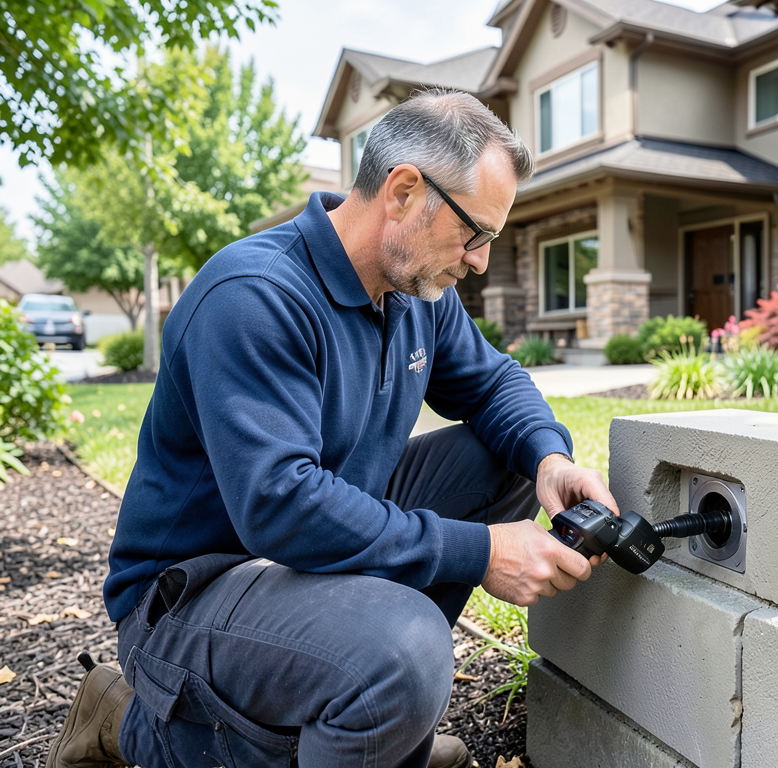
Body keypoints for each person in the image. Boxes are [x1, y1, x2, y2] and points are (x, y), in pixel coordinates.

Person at [46, 89, 618, 768]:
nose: (479, 260)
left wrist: (549, 458)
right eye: (475, 233)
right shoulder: (253, 295)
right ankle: (133, 719)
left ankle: (378, 724)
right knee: (403, 654)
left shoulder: (416, 294)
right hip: (190, 595)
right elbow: (280, 505)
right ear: (404, 192)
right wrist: (484, 551)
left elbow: (494, 383)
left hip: (305, 555)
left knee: (502, 459)